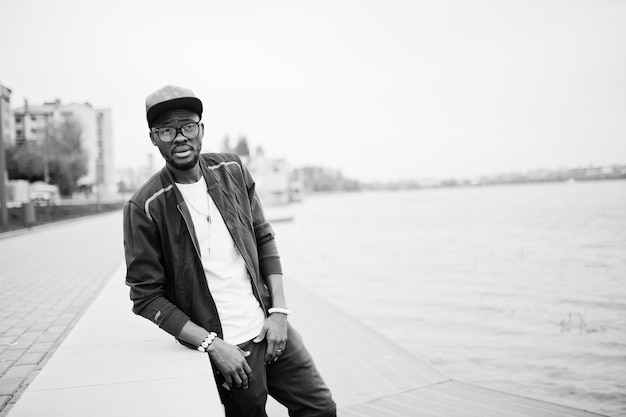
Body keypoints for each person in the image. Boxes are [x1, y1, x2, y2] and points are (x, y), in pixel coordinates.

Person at [123, 85, 336, 417]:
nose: (179, 137)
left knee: (320, 408)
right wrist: (212, 346)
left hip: (272, 329)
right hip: (226, 349)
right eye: (167, 130)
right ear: (153, 138)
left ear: (201, 130)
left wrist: (279, 312)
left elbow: (264, 238)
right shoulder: (145, 206)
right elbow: (146, 297)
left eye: (188, 126)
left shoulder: (233, 170)